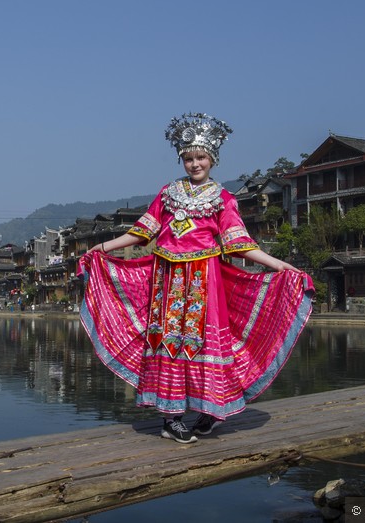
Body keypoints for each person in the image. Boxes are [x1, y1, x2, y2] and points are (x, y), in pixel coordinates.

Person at [78, 112, 314, 444]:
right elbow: (141, 232)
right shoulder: (168, 193)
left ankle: (209, 411)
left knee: (206, 344)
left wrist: (278, 265)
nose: (194, 164)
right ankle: (171, 417)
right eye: (188, 158)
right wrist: (102, 247)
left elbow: (240, 244)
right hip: (167, 281)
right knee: (168, 343)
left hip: (206, 283)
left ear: (212, 160)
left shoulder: (223, 199)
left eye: (201, 157)